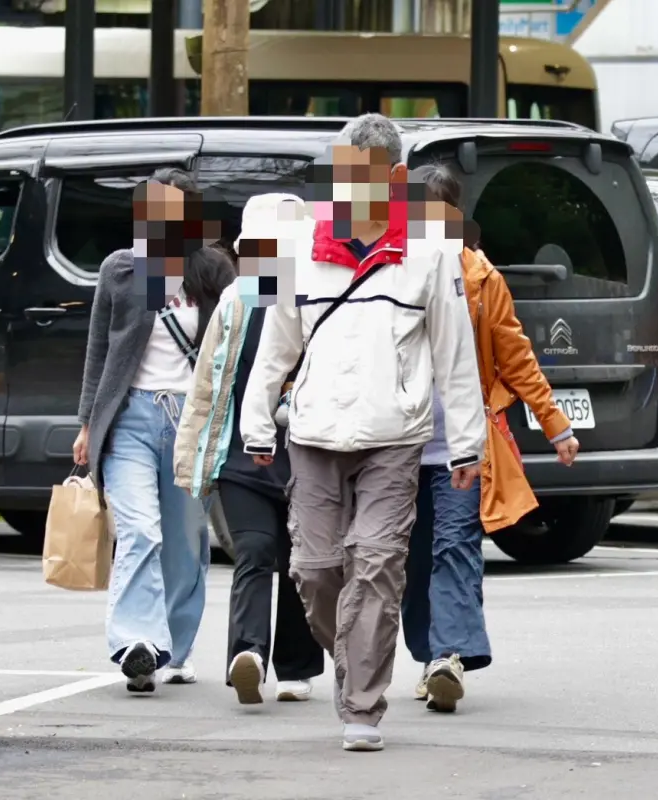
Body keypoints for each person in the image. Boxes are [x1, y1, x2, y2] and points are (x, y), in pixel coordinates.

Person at [240, 113, 486, 752]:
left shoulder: (430, 252)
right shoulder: (301, 245)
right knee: (314, 569)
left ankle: (362, 707)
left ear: (396, 178)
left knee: (376, 565)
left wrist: (467, 444)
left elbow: (455, 353)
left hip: (394, 436)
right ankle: (359, 654)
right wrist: (256, 420)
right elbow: (277, 344)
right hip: (314, 432)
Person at [400, 163, 580, 714]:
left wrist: (555, 422)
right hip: (399, 441)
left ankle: (448, 657)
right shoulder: (388, 273)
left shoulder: (482, 278)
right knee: (412, 557)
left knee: (455, 545)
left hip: (462, 443)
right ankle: (430, 653)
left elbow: (515, 354)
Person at [73, 167, 235, 694]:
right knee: (140, 530)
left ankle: (176, 648)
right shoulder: (122, 269)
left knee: (186, 541)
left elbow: (237, 339)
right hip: (130, 417)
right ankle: (137, 644)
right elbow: (98, 349)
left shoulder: (213, 271)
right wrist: (87, 421)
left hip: (191, 420)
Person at [173, 192, 324, 706]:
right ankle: (249, 655)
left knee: (303, 561)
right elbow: (205, 385)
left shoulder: (318, 296)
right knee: (256, 551)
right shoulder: (235, 302)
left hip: (309, 454)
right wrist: (191, 453)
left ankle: (297, 666)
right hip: (242, 457)